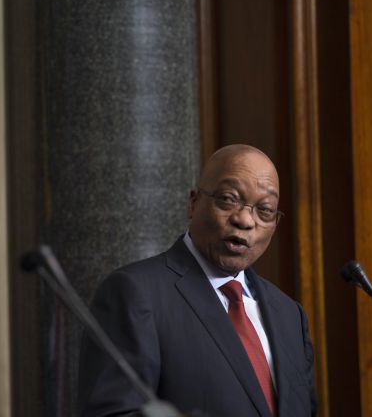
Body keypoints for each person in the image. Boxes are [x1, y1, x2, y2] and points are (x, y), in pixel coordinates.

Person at [78, 145, 317, 417]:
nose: (245, 220)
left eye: (265, 210)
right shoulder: (135, 294)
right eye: (228, 199)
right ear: (193, 203)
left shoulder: (289, 315)